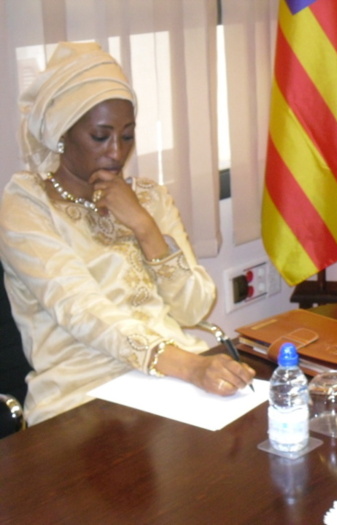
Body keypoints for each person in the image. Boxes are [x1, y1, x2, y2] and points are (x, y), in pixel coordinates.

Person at [0, 41, 255, 425]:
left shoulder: (148, 198)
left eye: (127, 136)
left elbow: (193, 307)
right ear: (61, 133)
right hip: (83, 392)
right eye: (100, 137)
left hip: (174, 376)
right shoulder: (27, 205)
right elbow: (81, 311)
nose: (117, 153)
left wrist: (144, 225)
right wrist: (189, 367)